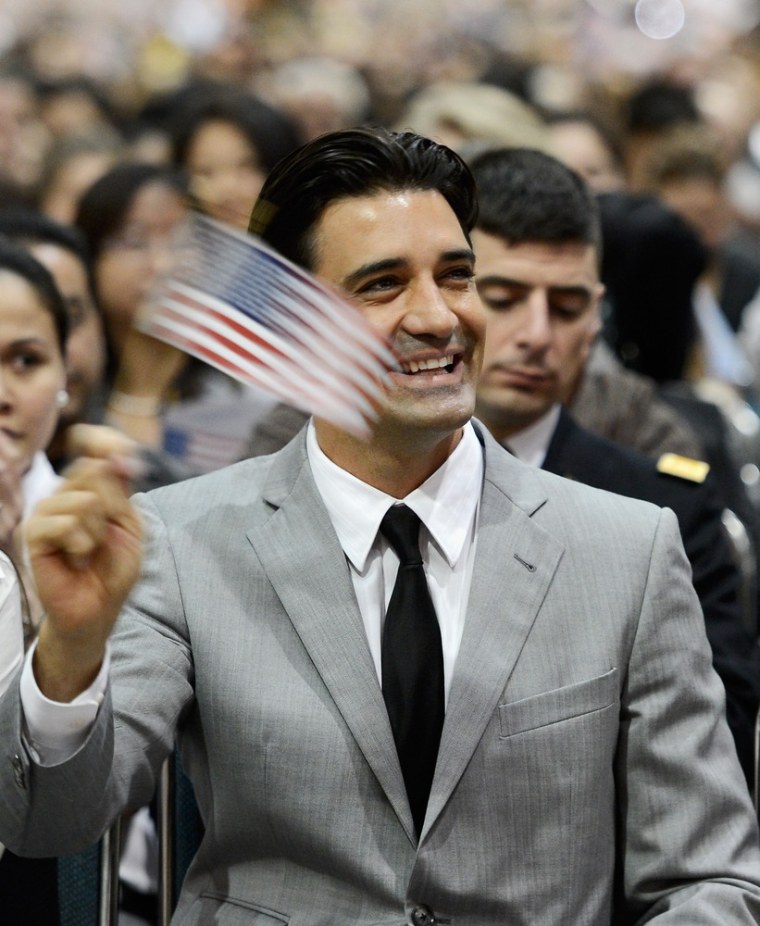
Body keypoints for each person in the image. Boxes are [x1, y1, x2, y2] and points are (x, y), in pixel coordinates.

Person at [2, 127, 760, 925]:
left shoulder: (628, 550)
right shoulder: (184, 542)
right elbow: (49, 820)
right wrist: (72, 649)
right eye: (382, 284)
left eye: (457, 276)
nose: (437, 317)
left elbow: (706, 877)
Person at [469, 144, 760, 781]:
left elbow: (720, 736)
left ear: (598, 314)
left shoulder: (663, 501)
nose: (537, 334)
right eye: (504, 296)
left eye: (568, 306)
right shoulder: (357, 461)